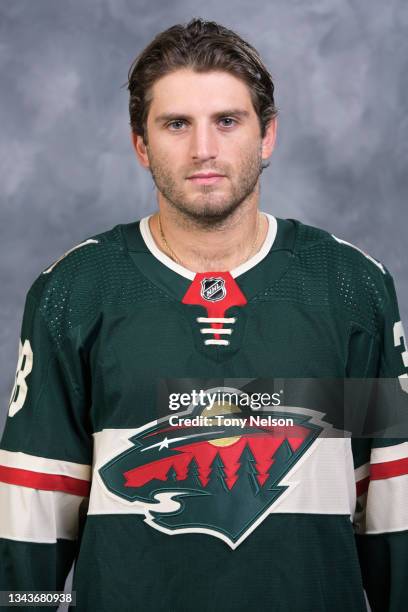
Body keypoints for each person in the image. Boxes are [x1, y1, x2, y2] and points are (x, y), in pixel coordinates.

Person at [0, 17, 407, 612]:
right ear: (141, 144)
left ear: (267, 135)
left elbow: (394, 510)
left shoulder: (350, 287)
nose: (203, 150)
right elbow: (31, 517)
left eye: (227, 121)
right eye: (175, 124)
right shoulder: (75, 291)